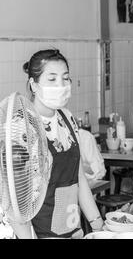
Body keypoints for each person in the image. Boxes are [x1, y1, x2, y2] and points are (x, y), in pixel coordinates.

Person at [9, 49, 103, 239]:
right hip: (39, 232)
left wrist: (98, 224)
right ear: (33, 85)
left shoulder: (66, 118)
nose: (61, 85)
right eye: (52, 79)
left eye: (65, 78)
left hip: (71, 229)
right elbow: (14, 202)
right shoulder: (22, 128)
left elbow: (79, 177)